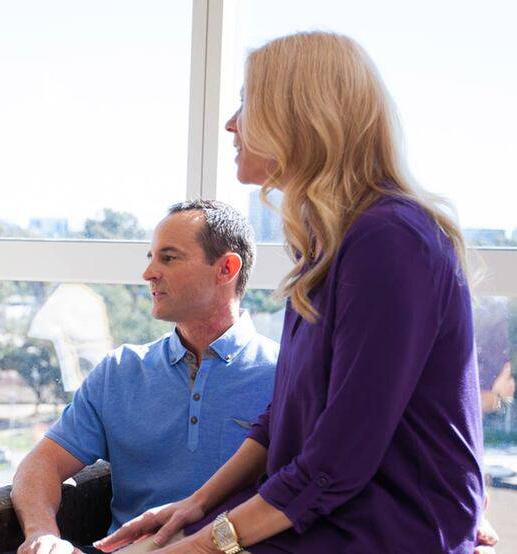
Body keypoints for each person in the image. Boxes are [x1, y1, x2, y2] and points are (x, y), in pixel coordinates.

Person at [95, 31, 486, 553]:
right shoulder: (331, 245)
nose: (231, 123)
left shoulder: (390, 241)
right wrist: (198, 503)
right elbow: (284, 415)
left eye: (246, 104)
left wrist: (203, 544)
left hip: (388, 530)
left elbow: (337, 461)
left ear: (299, 116)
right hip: (334, 513)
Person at [11, 200, 279, 554]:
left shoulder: (286, 376)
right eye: (151, 257)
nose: (149, 273)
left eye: (169, 258)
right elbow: (40, 464)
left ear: (226, 268)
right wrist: (42, 534)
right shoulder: (120, 371)